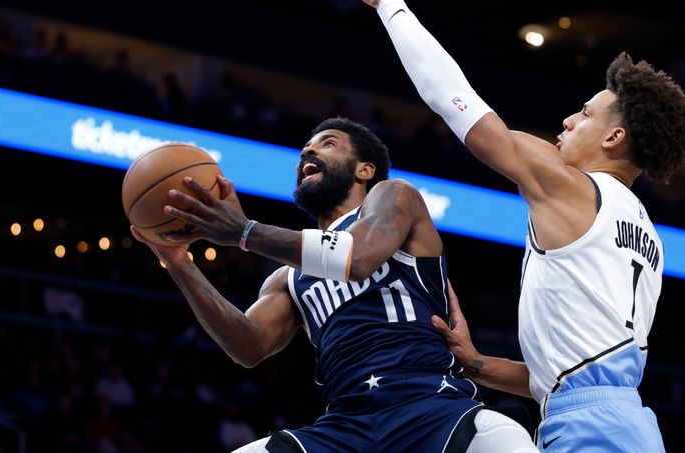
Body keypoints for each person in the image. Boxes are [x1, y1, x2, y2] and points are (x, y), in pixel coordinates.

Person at [324, 0, 685, 452]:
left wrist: (392, 7)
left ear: (614, 139)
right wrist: (477, 364)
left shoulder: (573, 188)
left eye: (585, 114)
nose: (568, 121)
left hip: (589, 429)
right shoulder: (647, 239)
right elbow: (569, 375)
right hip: (630, 425)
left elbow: (456, 103)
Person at [131, 117, 537, 453]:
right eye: (306, 147)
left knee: (510, 441)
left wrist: (245, 232)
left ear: (365, 169)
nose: (308, 151)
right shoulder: (288, 276)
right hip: (347, 427)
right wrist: (179, 263)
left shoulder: (395, 196)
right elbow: (248, 347)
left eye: (327, 143)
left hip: (433, 411)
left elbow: (356, 258)